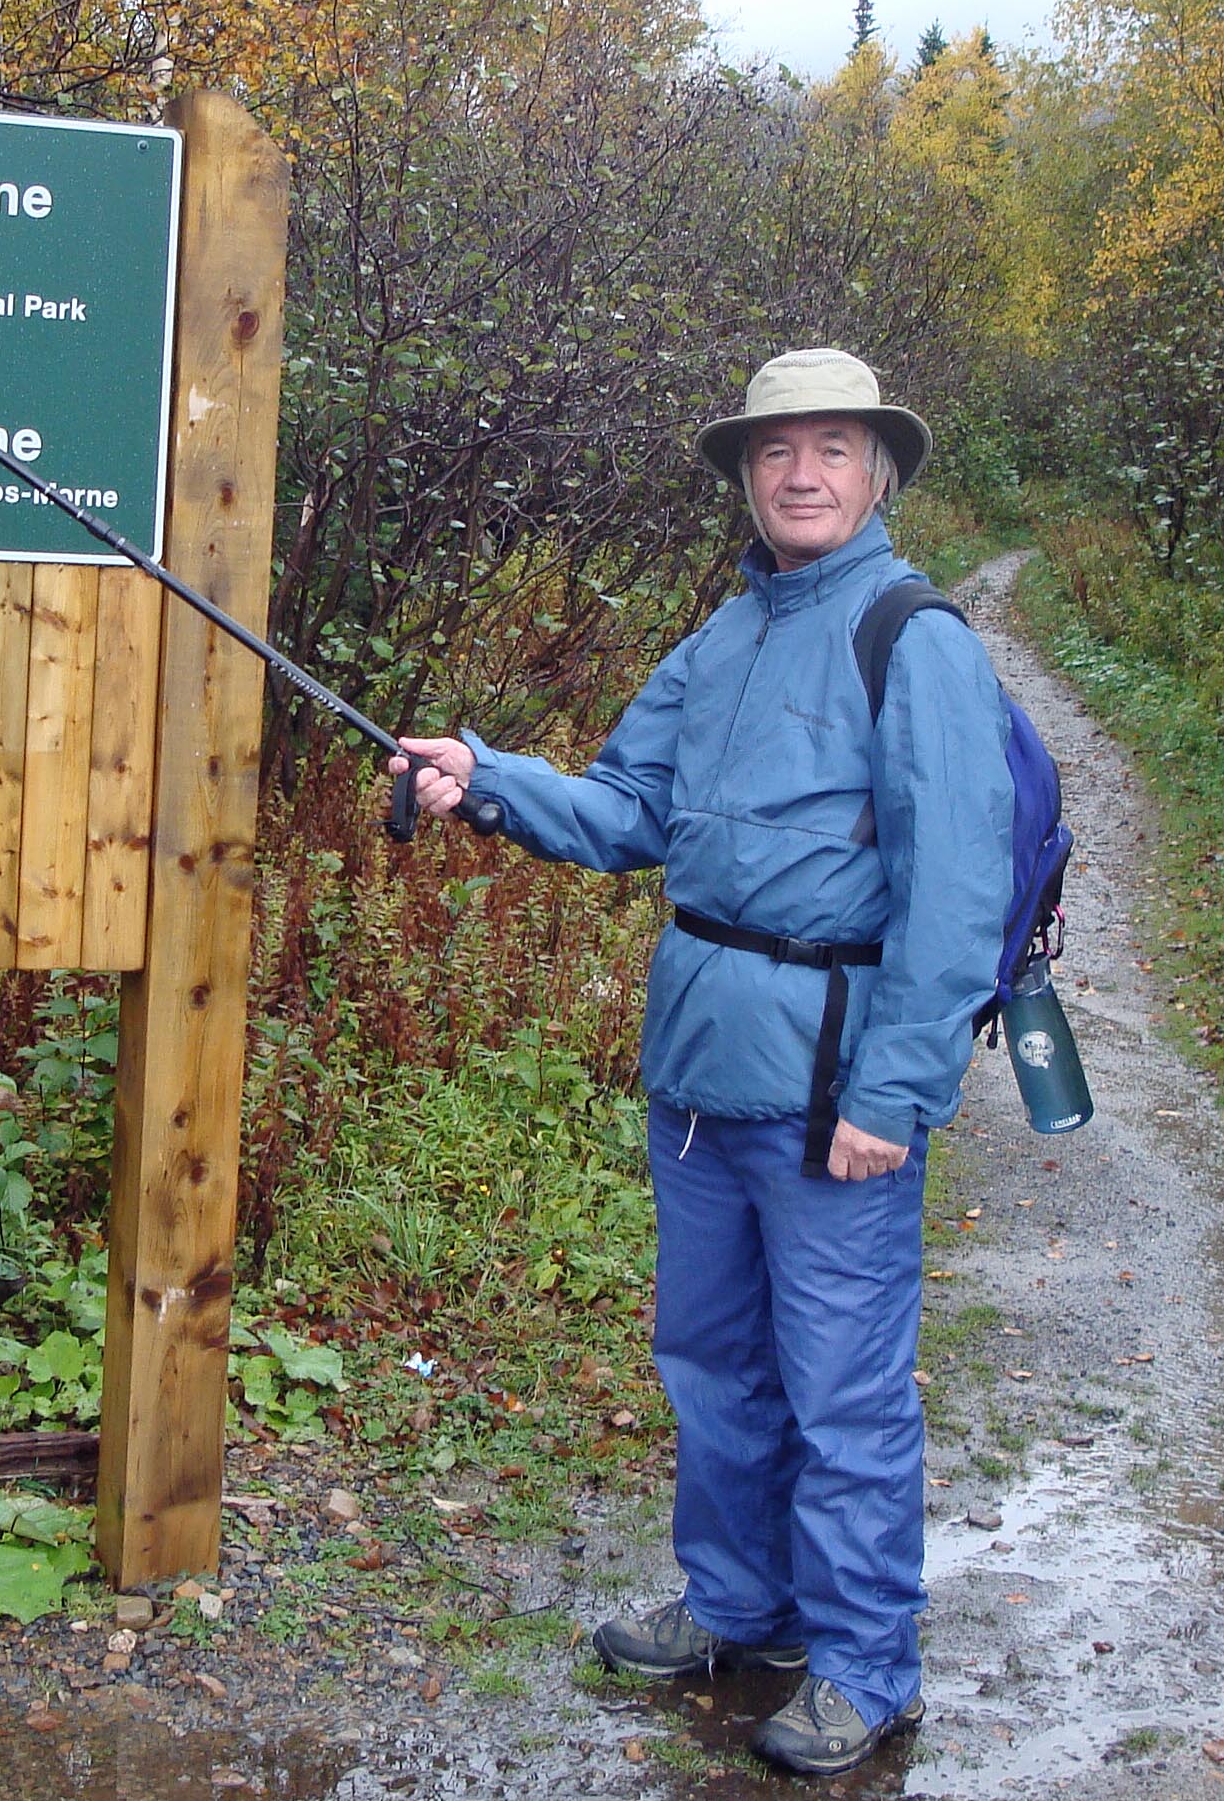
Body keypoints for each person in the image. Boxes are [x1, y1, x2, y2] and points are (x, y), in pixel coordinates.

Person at [392, 348, 1013, 1777]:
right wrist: (485, 777)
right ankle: (743, 1609)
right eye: (777, 451)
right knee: (714, 1367)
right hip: (696, 1077)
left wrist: (895, 1096)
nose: (802, 474)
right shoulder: (719, 641)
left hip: (832, 1091)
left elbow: (957, 889)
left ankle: (865, 1666)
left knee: (843, 1388)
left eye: (833, 450)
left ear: (880, 475)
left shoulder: (912, 639)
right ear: (747, 474)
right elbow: (622, 812)